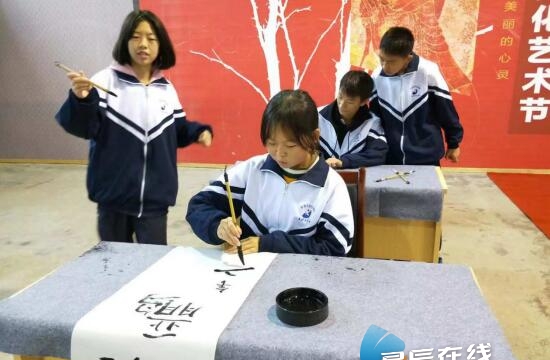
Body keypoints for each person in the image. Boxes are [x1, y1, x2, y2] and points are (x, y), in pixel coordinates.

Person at [55, 10, 212, 245]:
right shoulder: (104, 81)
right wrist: (81, 98)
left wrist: (197, 131)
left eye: (151, 38)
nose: (143, 44)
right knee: (114, 260)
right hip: (113, 199)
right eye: (136, 37)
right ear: (125, 41)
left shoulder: (166, 89)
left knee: (153, 261)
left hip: (155, 200)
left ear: (161, 44)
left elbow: (176, 129)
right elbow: (84, 128)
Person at [186, 90, 354, 257]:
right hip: (247, 268)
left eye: (290, 146)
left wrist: (269, 244)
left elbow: (334, 248)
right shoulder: (253, 170)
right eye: (271, 143)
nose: (279, 154)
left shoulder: (331, 186)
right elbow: (198, 206)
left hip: (301, 272)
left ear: (314, 137)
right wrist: (217, 226)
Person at [370, 26, 463, 166]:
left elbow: (446, 110)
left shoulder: (428, 72)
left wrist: (454, 143)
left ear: (408, 58)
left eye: (391, 62)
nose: (384, 66)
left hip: (426, 156)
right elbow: (375, 117)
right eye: (381, 59)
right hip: (390, 156)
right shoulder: (377, 77)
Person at [319, 70, 388, 168]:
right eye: (340, 97)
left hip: (357, 177)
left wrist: (344, 162)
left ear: (363, 102)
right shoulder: (317, 117)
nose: (342, 105)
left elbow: (378, 154)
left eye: (350, 102)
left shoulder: (372, 123)